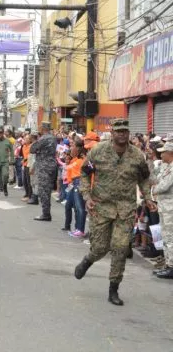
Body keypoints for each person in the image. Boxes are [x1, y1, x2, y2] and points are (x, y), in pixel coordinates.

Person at [74, 119, 155, 306]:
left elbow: (144, 179)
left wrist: (148, 198)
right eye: (118, 131)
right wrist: (87, 196)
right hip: (101, 207)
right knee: (100, 248)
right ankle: (88, 260)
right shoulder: (98, 151)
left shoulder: (137, 156)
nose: (121, 134)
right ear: (112, 133)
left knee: (120, 248)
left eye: (125, 131)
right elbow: (84, 172)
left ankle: (113, 289)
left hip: (125, 209)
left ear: (128, 133)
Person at [153, 141, 173, 279]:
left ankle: (171, 266)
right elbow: (156, 179)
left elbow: (163, 186)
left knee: (170, 237)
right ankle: (167, 263)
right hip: (164, 206)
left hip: (170, 208)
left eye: (164, 152)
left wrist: (154, 189)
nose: (161, 153)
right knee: (165, 236)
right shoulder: (166, 167)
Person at [30, 122, 57, 221]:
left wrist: (37, 147)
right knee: (48, 190)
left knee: (43, 191)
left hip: (44, 167)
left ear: (43, 128)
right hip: (52, 165)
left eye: (40, 126)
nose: (39, 128)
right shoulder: (53, 138)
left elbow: (32, 149)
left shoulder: (43, 138)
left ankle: (46, 214)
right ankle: (46, 213)